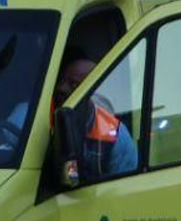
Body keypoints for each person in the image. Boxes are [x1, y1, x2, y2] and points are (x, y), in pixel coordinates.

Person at [53, 48, 137, 181]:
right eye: (62, 80)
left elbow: (125, 187)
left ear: (92, 91)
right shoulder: (31, 117)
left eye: (73, 84)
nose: (61, 88)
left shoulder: (116, 136)